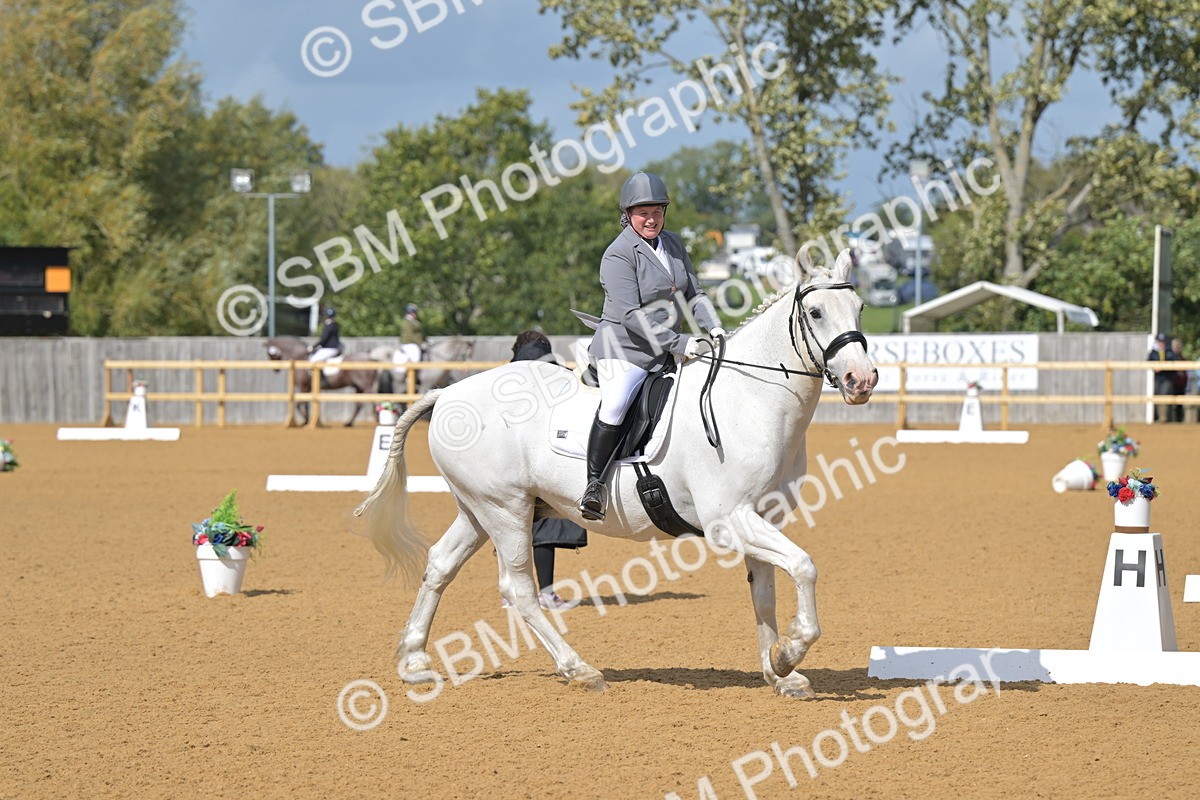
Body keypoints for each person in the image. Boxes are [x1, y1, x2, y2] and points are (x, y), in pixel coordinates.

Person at [578, 172, 725, 521]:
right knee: (615, 405)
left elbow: (695, 293)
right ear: (628, 214)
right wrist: (682, 342)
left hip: (666, 350)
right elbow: (630, 315)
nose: (651, 219)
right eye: (643, 212)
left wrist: (715, 327)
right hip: (623, 349)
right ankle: (594, 486)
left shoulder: (672, 244)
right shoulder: (617, 254)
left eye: (657, 211)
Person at [506, 330, 587, 610]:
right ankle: (547, 593)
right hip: (547, 458)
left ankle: (512, 594)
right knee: (546, 526)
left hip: (507, 460)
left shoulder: (503, 378)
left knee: (507, 525)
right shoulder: (562, 374)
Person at [1147, 333, 1178, 422]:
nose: (1161, 343)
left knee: (1164, 395)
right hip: (1157, 378)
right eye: (1159, 341)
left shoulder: (1169, 352)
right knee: (1156, 395)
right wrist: (1154, 367)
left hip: (1167, 378)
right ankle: (1156, 416)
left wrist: (1164, 366)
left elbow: (1174, 363)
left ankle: (1163, 417)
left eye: (1162, 342)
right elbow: (1148, 362)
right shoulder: (1153, 352)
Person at [1170, 337, 1188, 423]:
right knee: (1169, 402)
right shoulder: (1170, 357)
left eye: (1178, 346)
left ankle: (1178, 420)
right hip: (1172, 383)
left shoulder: (1183, 358)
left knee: (1179, 405)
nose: (1177, 347)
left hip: (1181, 384)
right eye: (1175, 346)